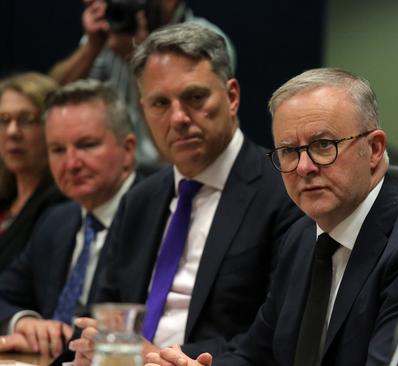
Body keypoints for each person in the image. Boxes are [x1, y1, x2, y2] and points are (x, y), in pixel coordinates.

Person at [145, 67, 398, 366]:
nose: (305, 167)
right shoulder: (302, 237)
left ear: (374, 149)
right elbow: (256, 355)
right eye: (289, 151)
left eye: (324, 145)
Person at [68, 22, 301, 365]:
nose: (178, 118)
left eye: (194, 97)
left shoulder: (284, 191)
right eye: (160, 103)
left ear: (232, 97)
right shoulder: (139, 199)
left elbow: (274, 335)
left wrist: (151, 356)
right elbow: (103, 314)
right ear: (143, 111)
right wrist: (92, 342)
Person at [0, 79, 138, 358]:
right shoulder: (57, 220)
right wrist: (25, 322)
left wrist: (61, 340)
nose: (71, 163)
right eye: (58, 150)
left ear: (128, 150)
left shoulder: (157, 215)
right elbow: (4, 293)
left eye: (86, 145)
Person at [49, 0, 236, 163]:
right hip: (115, 172)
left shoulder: (206, 39)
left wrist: (134, 59)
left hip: (176, 166)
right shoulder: (114, 30)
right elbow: (52, 100)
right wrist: (92, 46)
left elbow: (176, 136)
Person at [0, 73, 67, 271]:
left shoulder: (60, 205)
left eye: (26, 120)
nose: (12, 132)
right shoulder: (6, 198)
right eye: (4, 120)